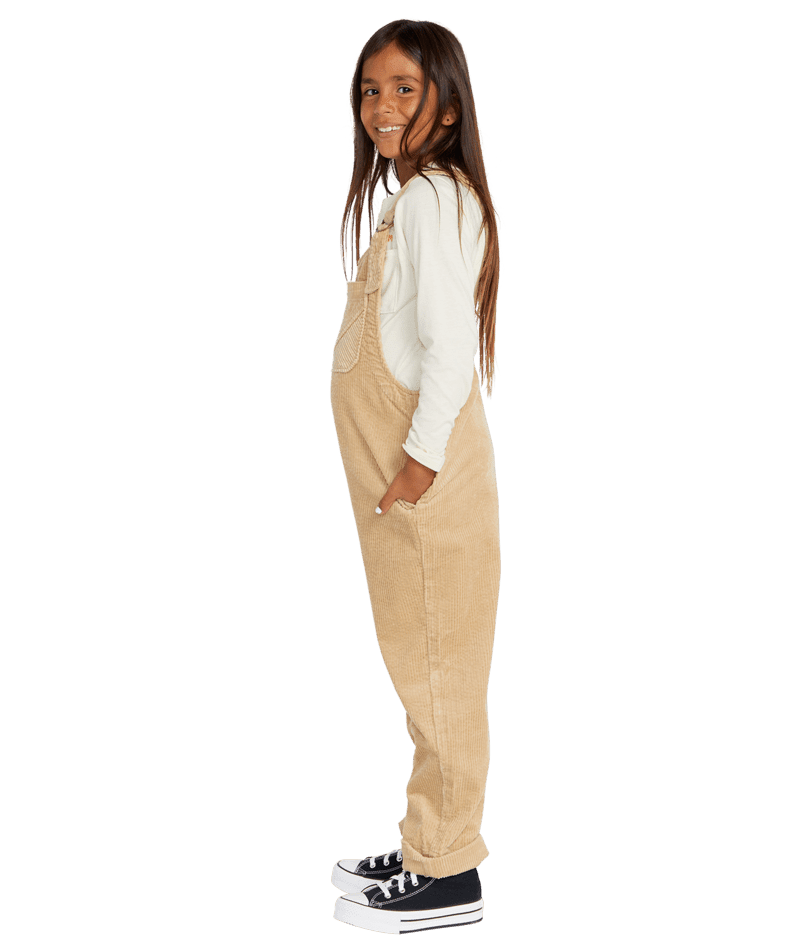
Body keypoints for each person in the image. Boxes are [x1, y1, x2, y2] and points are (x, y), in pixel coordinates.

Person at [329, 17, 504, 935]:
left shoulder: (434, 197)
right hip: (405, 485)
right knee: (423, 667)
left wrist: (418, 466)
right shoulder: (413, 198)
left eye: (404, 87)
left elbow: (446, 349)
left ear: (448, 102)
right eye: (371, 90)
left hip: (423, 483)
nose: (382, 106)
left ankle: (448, 875)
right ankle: (427, 839)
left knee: (440, 673)